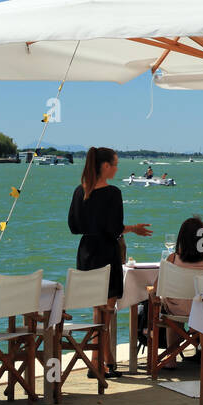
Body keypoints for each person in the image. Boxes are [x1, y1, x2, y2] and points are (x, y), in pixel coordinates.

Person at [68, 146, 153, 376]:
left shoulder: (80, 191)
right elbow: (114, 228)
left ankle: (102, 360)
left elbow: (74, 227)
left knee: (99, 308)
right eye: (115, 164)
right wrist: (133, 229)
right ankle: (100, 361)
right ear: (105, 166)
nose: (116, 169)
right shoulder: (113, 193)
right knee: (107, 308)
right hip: (106, 252)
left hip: (86, 252)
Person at [158, 216, 203, 317]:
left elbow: (158, 288)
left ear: (182, 238)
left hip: (177, 310)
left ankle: (175, 332)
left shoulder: (172, 259)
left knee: (171, 308)